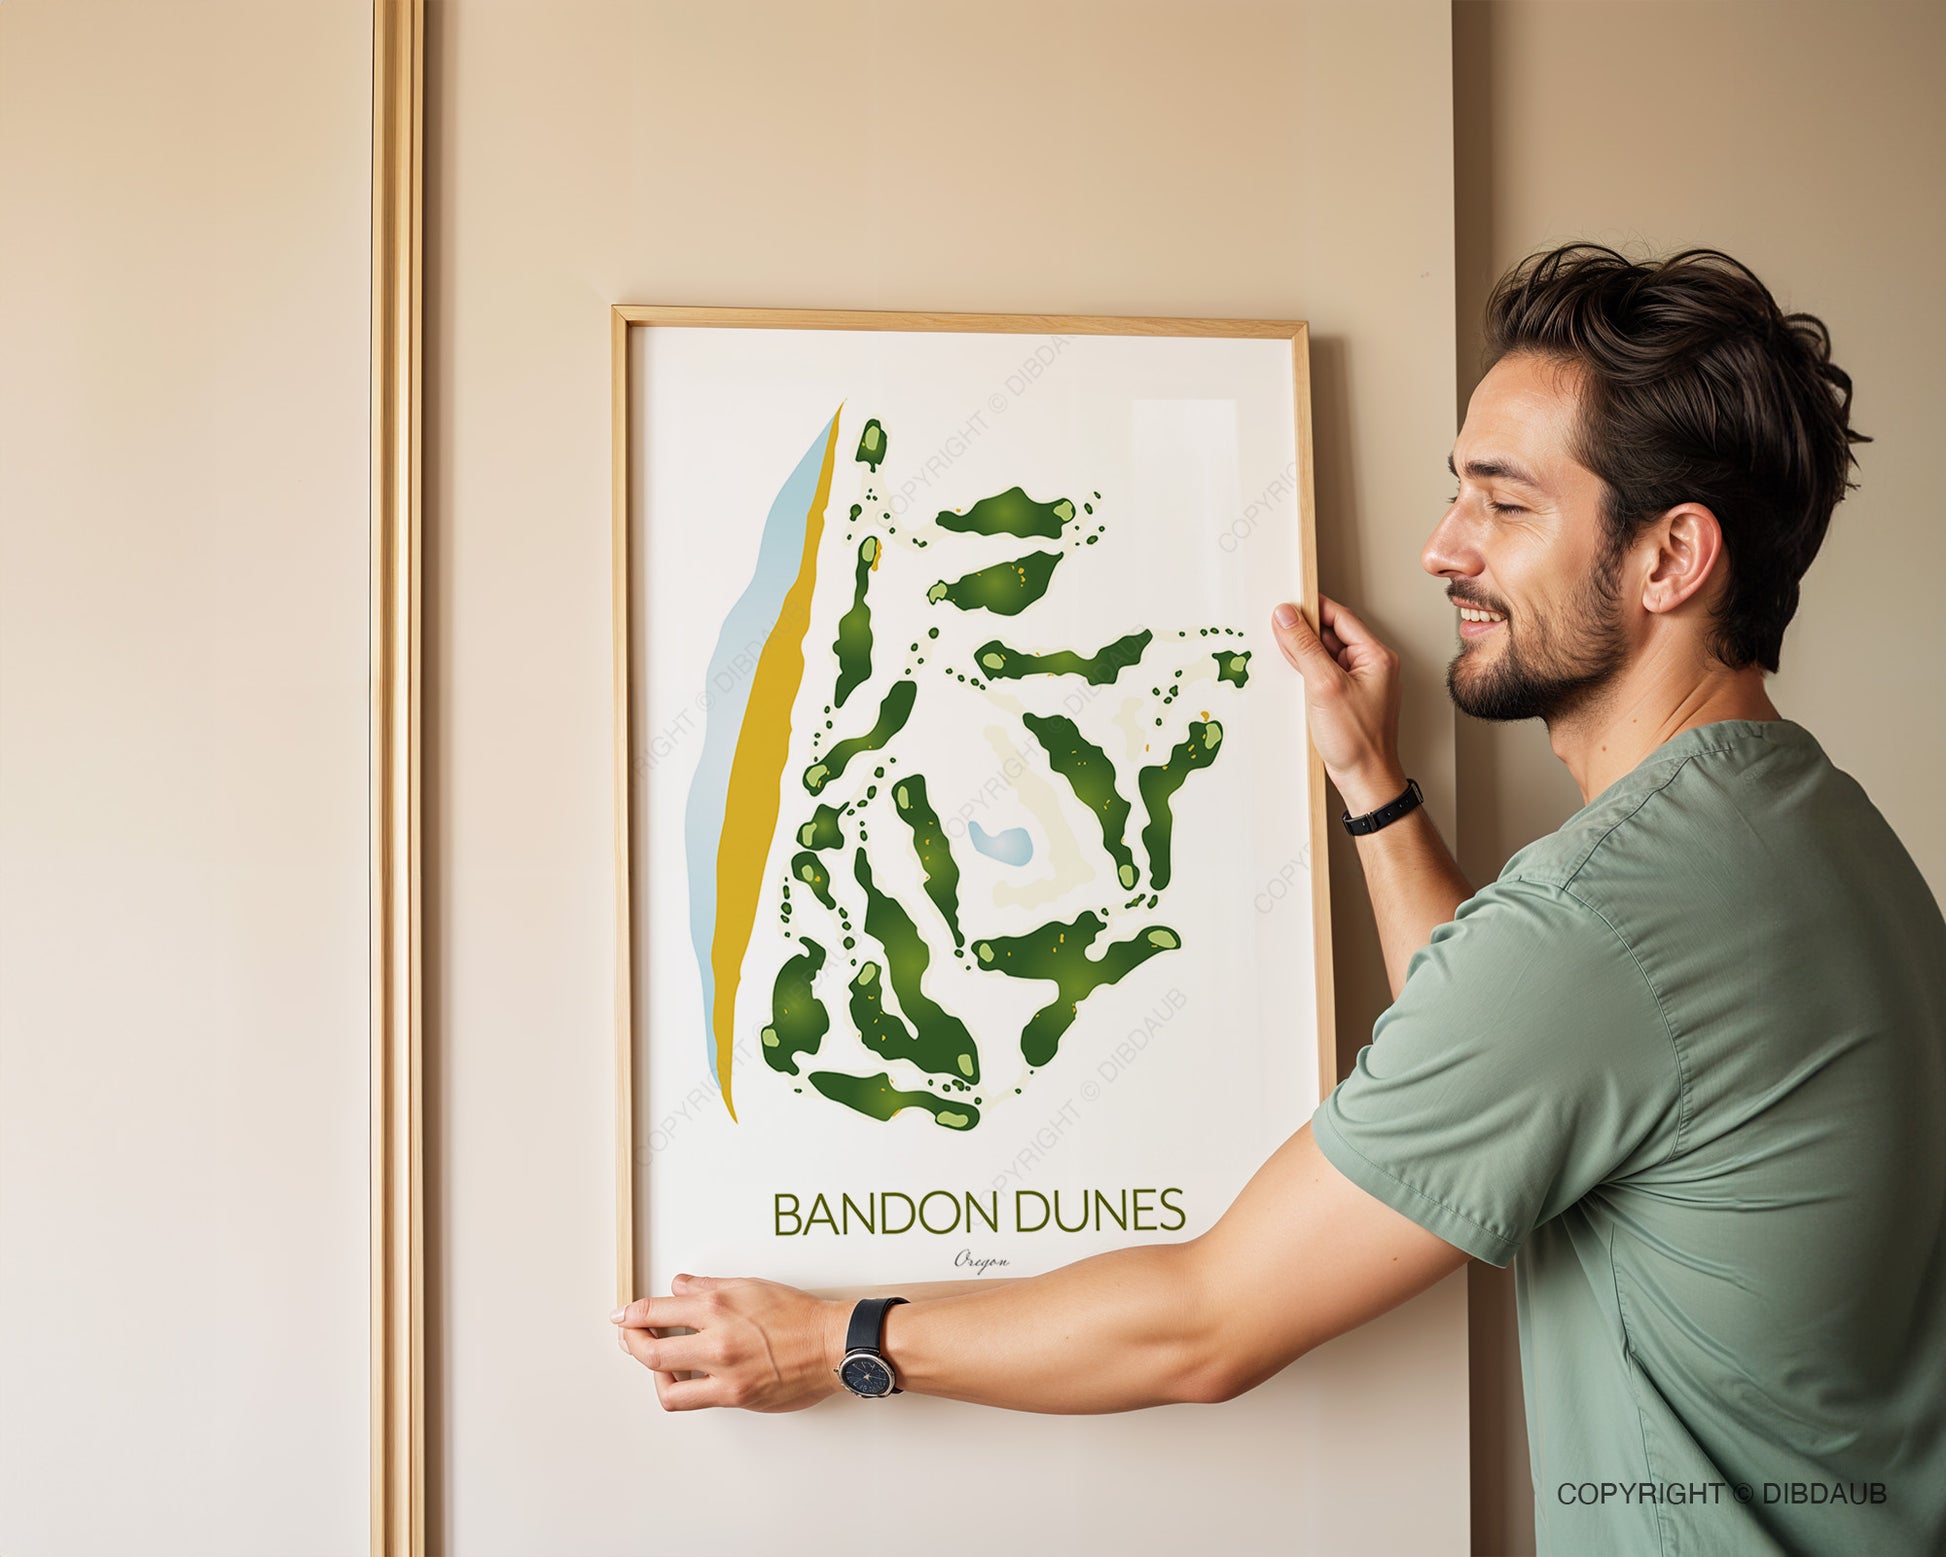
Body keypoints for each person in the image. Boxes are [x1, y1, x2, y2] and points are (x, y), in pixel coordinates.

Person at [611, 245, 1946, 1556]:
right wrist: (1371, 781)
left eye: (1503, 506)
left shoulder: (1601, 926)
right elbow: (1515, 1050)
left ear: (1671, 558)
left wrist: (828, 1341)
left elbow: (1205, 1323)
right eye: (1454, 494)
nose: (1441, 548)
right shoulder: (1828, 841)